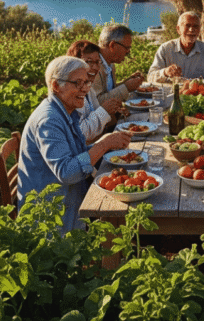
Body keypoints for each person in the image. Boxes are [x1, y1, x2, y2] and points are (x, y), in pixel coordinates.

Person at [17, 55, 131, 234]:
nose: (85, 89)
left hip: (69, 199)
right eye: (78, 83)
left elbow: (74, 154)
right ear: (55, 85)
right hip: (51, 218)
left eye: (87, 82)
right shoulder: (49, 120)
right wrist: (102, 146)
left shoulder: (66, 111)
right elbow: (67, 172)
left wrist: (105, 144)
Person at [66, 40, 122, 141]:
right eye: (89, 62)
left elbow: (97, 119)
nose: (96, 67)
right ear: (74, 63)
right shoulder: (69, 92)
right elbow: (80, 134)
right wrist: (104, 111)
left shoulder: (88, 89)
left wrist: (115, 113)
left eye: (98, 62)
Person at [147, 12, 204, 82]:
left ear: (200, 30)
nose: (191, 29)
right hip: (171, 94)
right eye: (187, 25)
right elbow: (150, 77)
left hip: (197, 94)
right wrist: (165, 72)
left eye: (196, 26)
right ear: (178, 29)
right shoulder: (166, 48)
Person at [92, 24, 144, 105]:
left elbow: (109, 91)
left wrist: (126, 82)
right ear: (112, 45)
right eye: (127, 48)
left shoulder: (110, 64)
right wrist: (126, 87)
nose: (128, 52)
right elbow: (97, 102)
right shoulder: (93, 66)